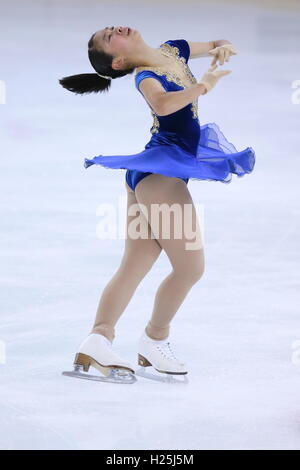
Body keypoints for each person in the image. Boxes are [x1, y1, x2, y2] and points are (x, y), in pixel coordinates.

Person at [59, 26, 256, 383]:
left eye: (109, 28)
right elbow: (162, 103)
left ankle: (97, 340)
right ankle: (155, 338)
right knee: (190, 268)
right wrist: (202, 87)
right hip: (161, 177)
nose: (114, 29)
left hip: (149, 175)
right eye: (108, 38)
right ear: (119, 61)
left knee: (134, 265)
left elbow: (216, 41)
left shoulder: (174, 49)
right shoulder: (145, 76)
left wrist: (224, 47)